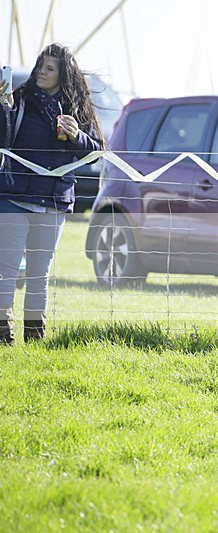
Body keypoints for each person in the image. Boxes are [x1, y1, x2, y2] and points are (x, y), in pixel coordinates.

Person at [0, 43, 103, 345]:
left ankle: (35, 340)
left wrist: (77, 136)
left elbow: (96, 152)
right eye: (40, 66)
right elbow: (4, 140)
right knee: (5, 271)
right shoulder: (19, 98)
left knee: (38, 275)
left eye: (50, 68)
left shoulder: (77, 109)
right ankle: (3, 338)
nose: (42, 72)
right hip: (13, 196)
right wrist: (3, 108)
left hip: (54, 201)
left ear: (63, 74)